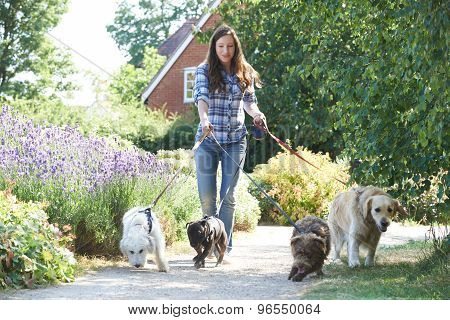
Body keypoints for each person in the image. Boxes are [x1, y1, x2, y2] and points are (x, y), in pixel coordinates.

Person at [193, 24, 266, 257]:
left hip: (235, 140)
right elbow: (201, 98)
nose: (225, 51)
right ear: (214, 47)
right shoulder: (203, 70)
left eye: (230, 46)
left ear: (236, 48)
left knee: (229, 195)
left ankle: (223, 247)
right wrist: (204, 120)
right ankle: (209, 244)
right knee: (207, 198)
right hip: (207, 139)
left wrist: (256, 115)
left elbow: (249, 102)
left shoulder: (245, 71)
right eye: (221, 46)